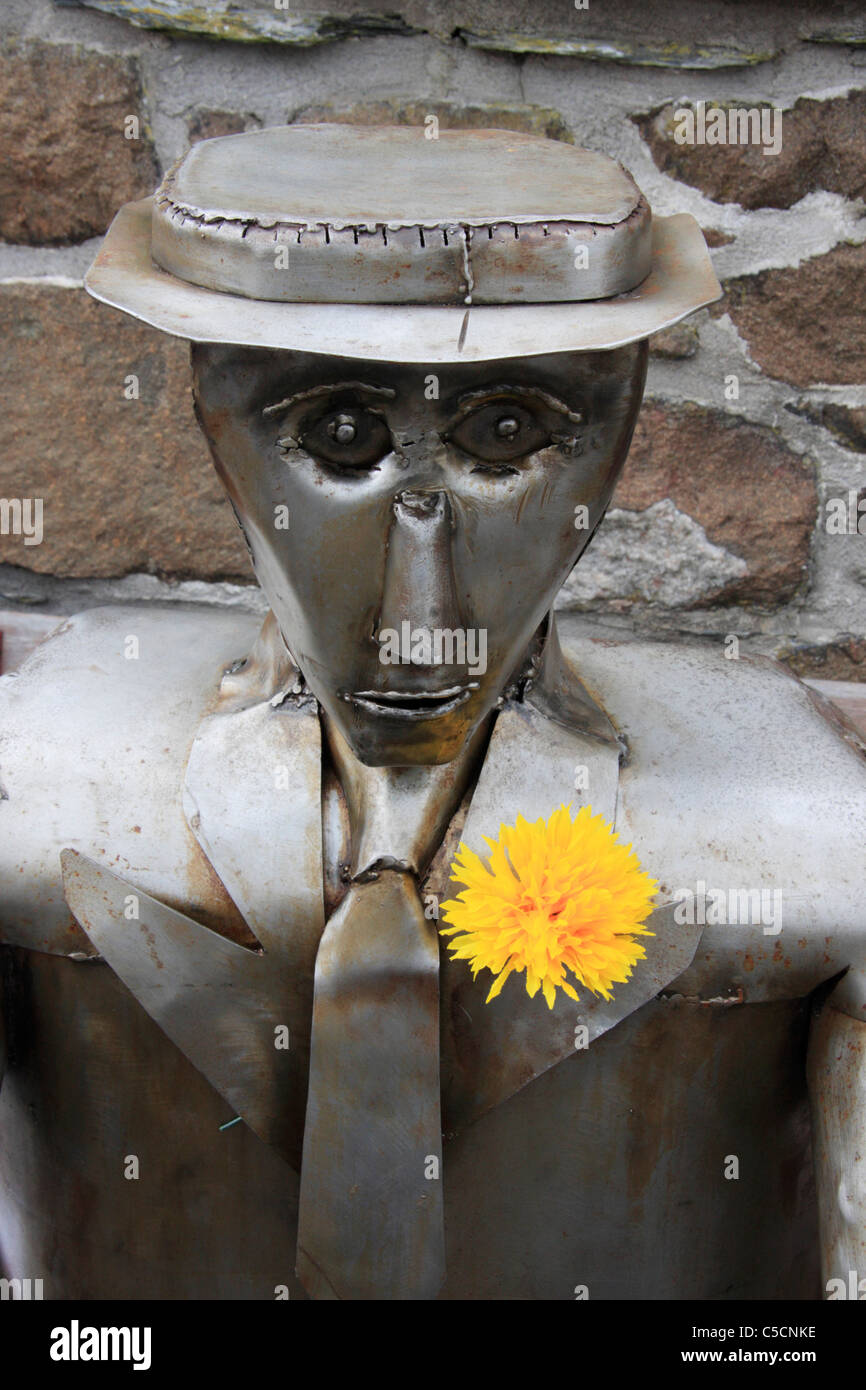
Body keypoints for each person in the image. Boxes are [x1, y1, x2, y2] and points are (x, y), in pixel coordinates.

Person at [1, 125, 864, 1301]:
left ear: (616, 438)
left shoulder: (814, 853)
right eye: (337, 437)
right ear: (209, 412)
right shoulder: (36, 799)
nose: (422, 603)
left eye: (506, 437)